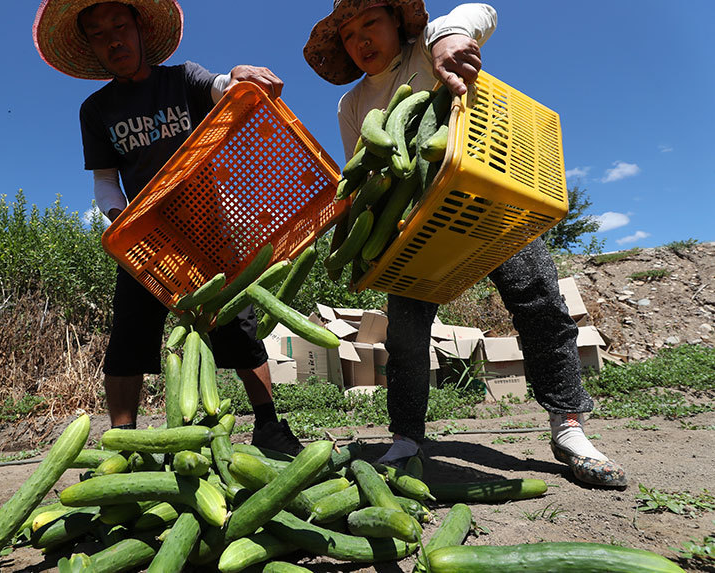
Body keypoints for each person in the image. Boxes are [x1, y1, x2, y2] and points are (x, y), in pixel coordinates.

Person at [304, 0, 627, 487]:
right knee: (405, 334)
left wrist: (450, 37)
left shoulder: (430, 44)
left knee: (539, 299)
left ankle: (569, 425)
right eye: (348, 35)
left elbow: (483, 12)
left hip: (485, 196)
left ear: (396, 20)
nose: (361, 40)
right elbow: (365, 171)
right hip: (415, 225)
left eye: (369, 23)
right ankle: (407, 437)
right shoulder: (351, 104)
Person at [33, 0, 302, 455]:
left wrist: (236, 75)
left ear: (139, 28)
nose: (113, 39)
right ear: (91, 48)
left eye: (120, 25)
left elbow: (221, 88)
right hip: (147, 238)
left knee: (237, 329)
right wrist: (128, 228)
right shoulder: (96, 110)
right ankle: (125, 441)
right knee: (129, 339)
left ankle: (269, 425)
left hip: (209, 226)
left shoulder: (181, 79)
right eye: (99, 34)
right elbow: (105, 183)